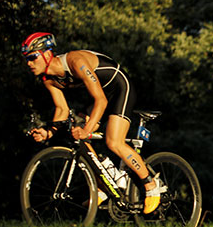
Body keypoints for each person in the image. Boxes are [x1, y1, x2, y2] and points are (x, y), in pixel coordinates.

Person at [21, 32, 162, 214]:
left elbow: (101, 101)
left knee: (113, 142)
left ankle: (151, 185)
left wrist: (87, 130)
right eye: (26, 59)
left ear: (47, 55)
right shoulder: (48, 80)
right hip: (100, 96)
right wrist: (48, 133)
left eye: (32, 57)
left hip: (119, 88)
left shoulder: (75, 61)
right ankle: (105, 184)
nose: (29, 63)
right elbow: (62, 110)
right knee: (78, 138)